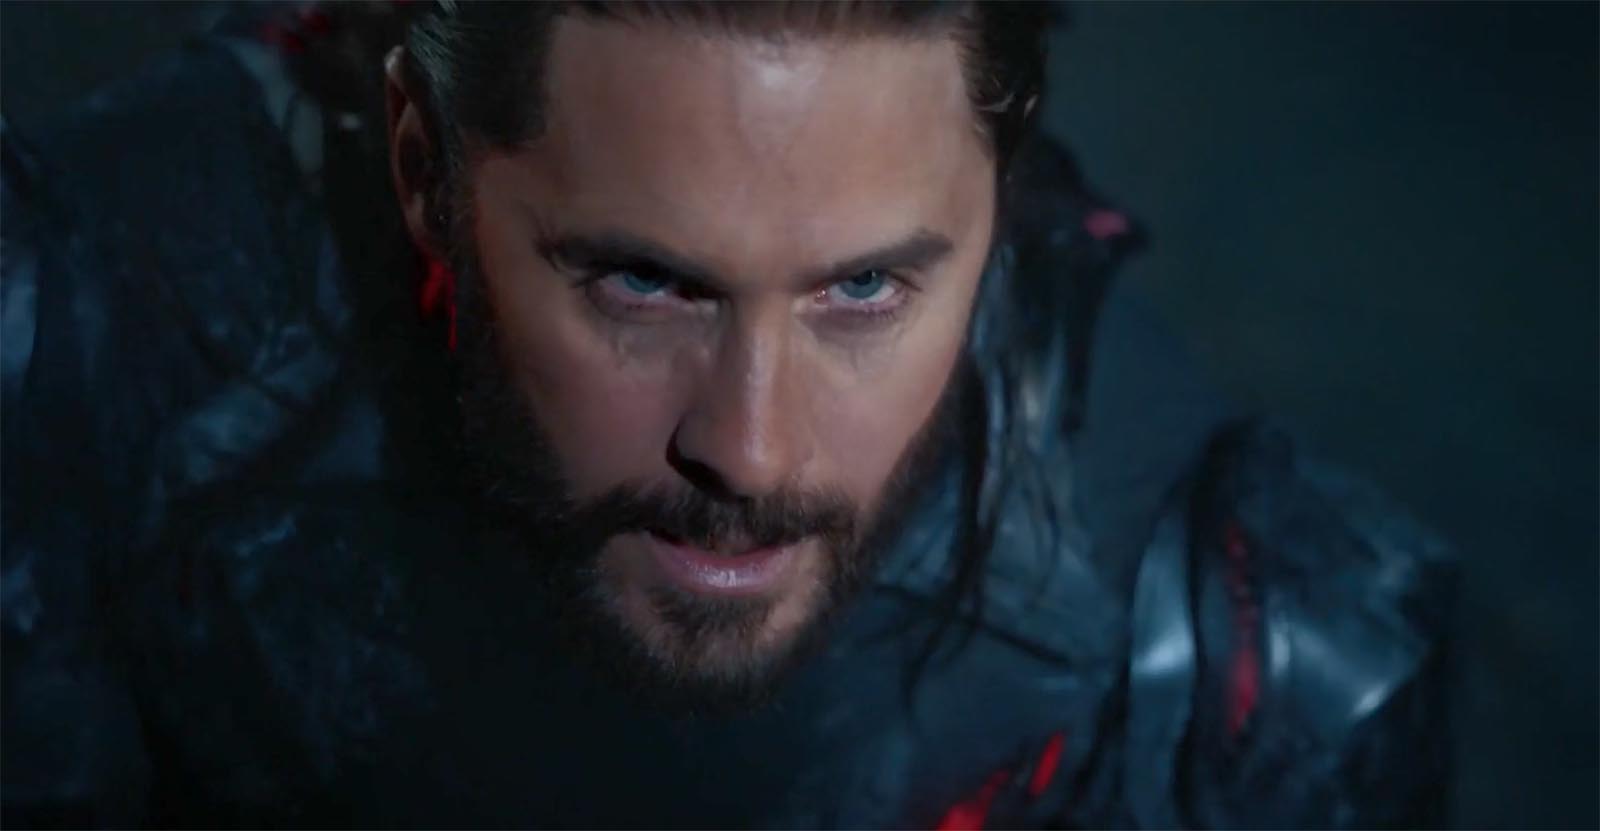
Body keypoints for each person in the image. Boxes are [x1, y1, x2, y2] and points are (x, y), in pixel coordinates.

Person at [0, 2, 1455, 827]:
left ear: (997, 209)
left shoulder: (1234, 674)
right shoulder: (89, 330)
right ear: (423, 176)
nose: (749, 451)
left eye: (866, 289)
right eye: (644, 283)